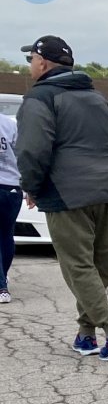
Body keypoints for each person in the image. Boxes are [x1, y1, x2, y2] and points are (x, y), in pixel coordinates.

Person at [14, 35, 108, 359]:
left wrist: (33, 187)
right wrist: (105, 180)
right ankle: (85, 334)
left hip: (66, 196)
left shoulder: (39, 99)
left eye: (31, 59)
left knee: (79, 267)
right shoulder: (99, 99)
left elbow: (31, 150)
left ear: (43, 62)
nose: (30, 65)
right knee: (99, 268)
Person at [0, 105, 19, 304]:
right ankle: (3, 277)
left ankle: (1, 287)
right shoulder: (10, 124)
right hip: (11, 185)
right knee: (6, 233)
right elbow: (22, 155)